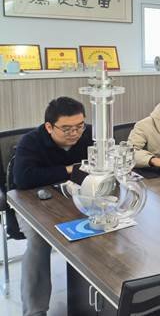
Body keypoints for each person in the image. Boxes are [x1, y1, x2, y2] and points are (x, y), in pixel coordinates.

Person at [13, 97, 93, 316]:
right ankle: (35, 311)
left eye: (80, 126)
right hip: (32, 202)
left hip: (77, 198)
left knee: (106, 225)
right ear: (49, 127)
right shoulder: (31, 141)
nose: (75, 133)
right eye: (66, 129)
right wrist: (69, 170)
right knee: (39, 241)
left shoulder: (89, 134)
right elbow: (23, 178)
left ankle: (95, 301)